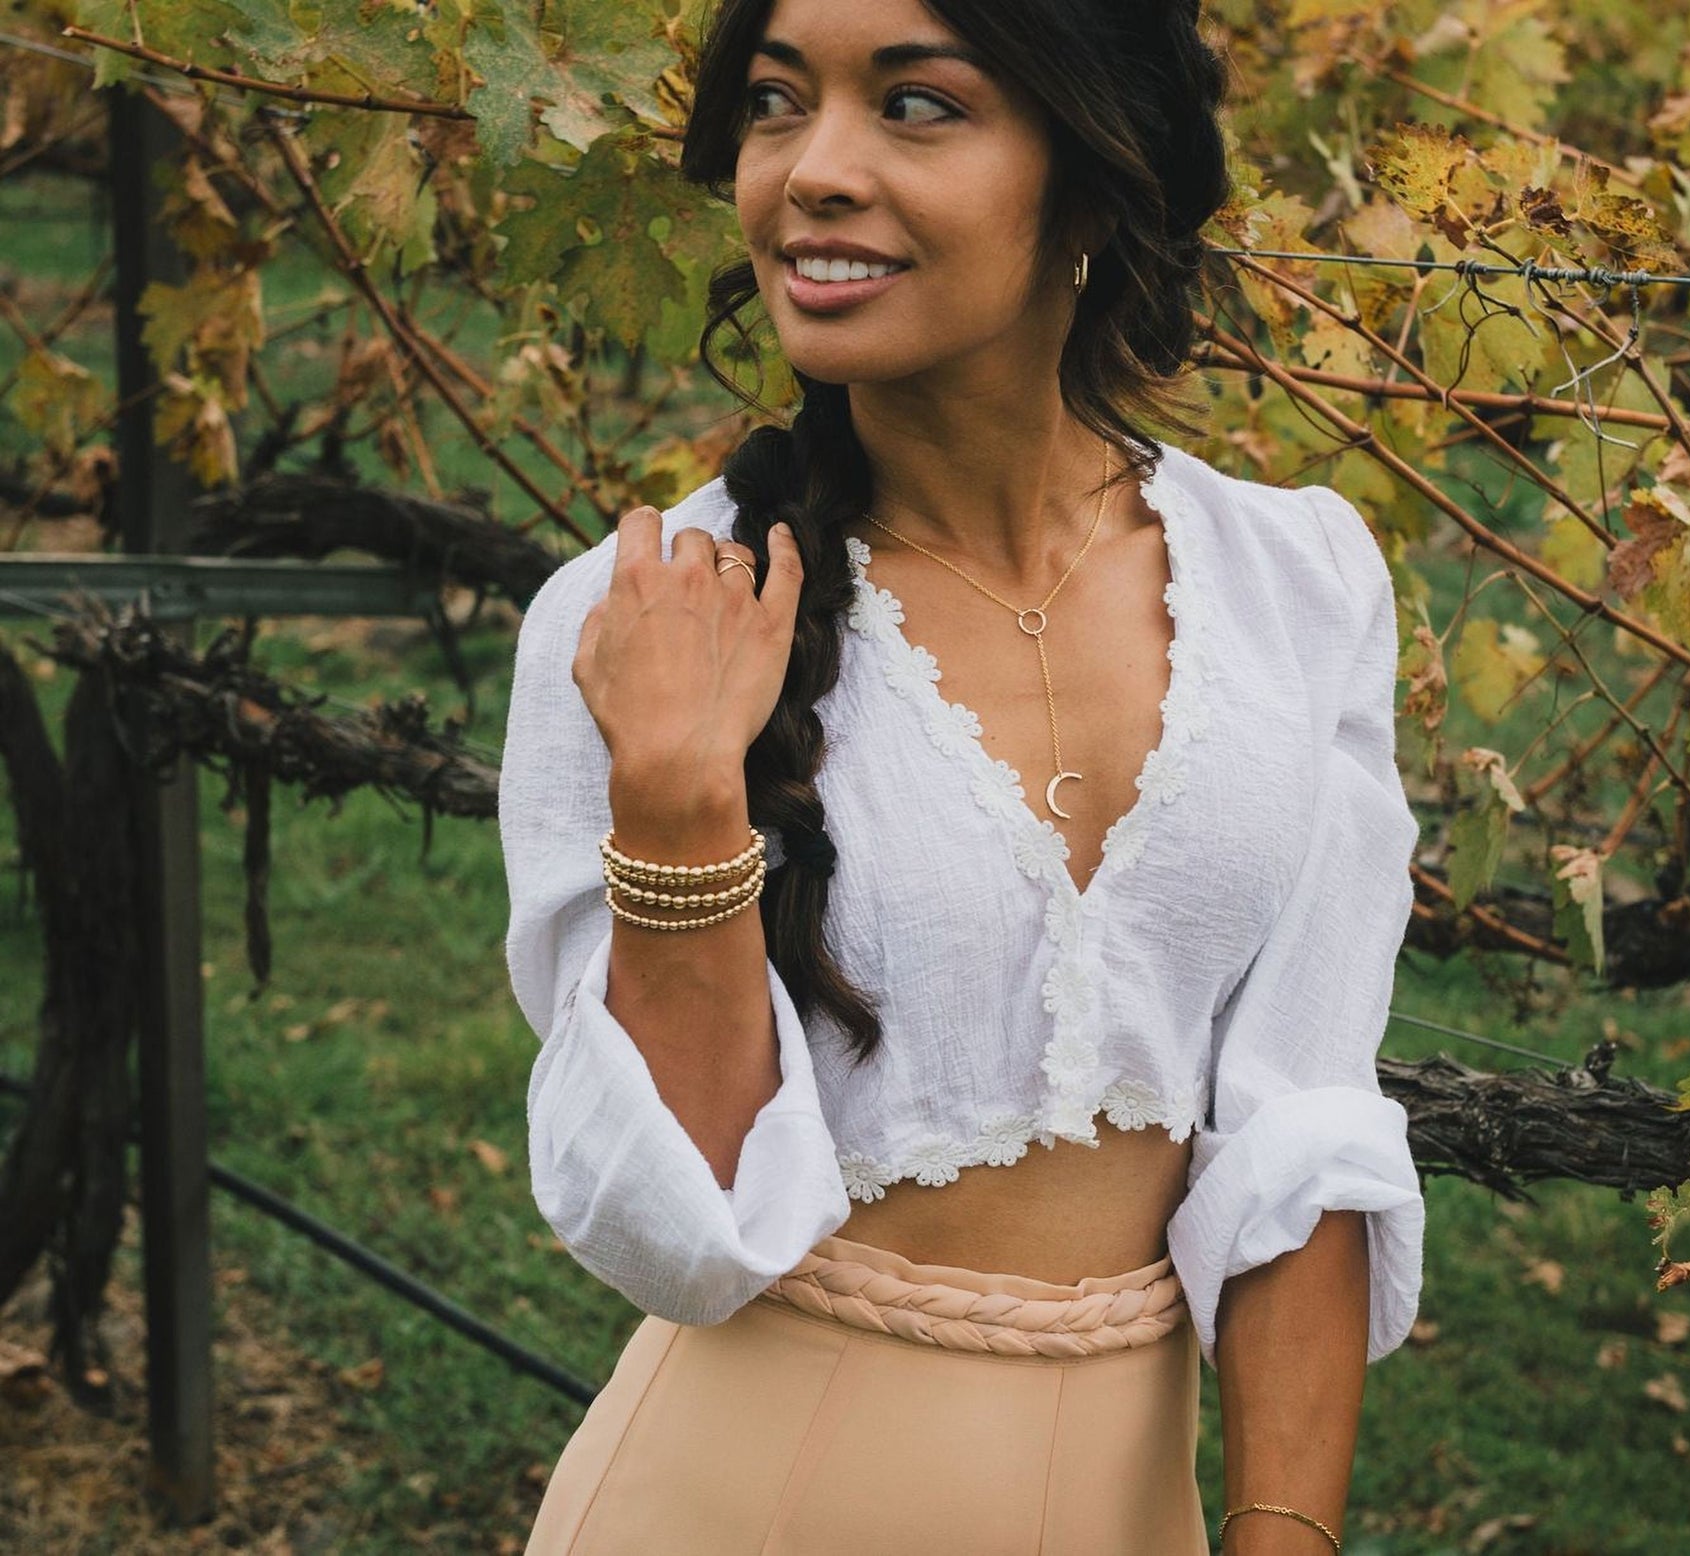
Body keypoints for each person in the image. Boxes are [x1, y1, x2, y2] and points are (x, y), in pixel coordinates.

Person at [496, 0, 1425, 1549]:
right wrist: (676, 801)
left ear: (1089, 171)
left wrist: (1284, 1534)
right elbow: (687, 1237)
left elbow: (1302, 1125)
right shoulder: (646, 618)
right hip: (733, 1499)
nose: (813, 171)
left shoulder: (1299, 584)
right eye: (779, 103)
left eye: (917, 106)